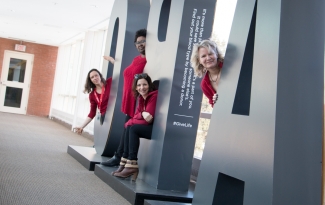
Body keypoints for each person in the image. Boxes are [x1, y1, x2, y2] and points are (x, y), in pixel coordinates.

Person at [101, 29, 147, 166]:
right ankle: (120, 158)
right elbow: (127, 72)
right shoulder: (136, 59)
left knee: (128, 130)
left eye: (143, 41)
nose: (140, 44)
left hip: (138, 101)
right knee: (126, 129)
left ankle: (120, 158)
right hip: (130, 100)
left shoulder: (149, 60)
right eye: (138, 42)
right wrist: (112, 61)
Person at [111, 73, 158, 181]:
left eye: (144, 84)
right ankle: (126, 162)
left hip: (156, 129)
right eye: (139, 85)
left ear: (149, 85)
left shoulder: (154, 96)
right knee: (129, 127)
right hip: (147, 126)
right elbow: (136, 116)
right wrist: (142, 114)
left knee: (133, 128)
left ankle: (132, 164)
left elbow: (148, 120)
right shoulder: (141, 98)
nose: (142, 88)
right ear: (136, 87)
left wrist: (140, 116)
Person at [73, 69, 111, 134]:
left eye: (96, 75)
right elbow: (92, 113)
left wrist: (111, 60)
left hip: (115, 114)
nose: (95, 78)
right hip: (105, 119)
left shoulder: (110, 82)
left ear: (100, 76)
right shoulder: (92, 95)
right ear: (90, 80)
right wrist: (82, 126)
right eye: (92, 77)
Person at [191, 39, 223, 107]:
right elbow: (214, 106)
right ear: (199, 60)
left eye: (210, 54)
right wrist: (216, 102)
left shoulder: (230, 66)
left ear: (216, 54)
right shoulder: (204, 85)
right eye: (203, 56)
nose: (208, 58)